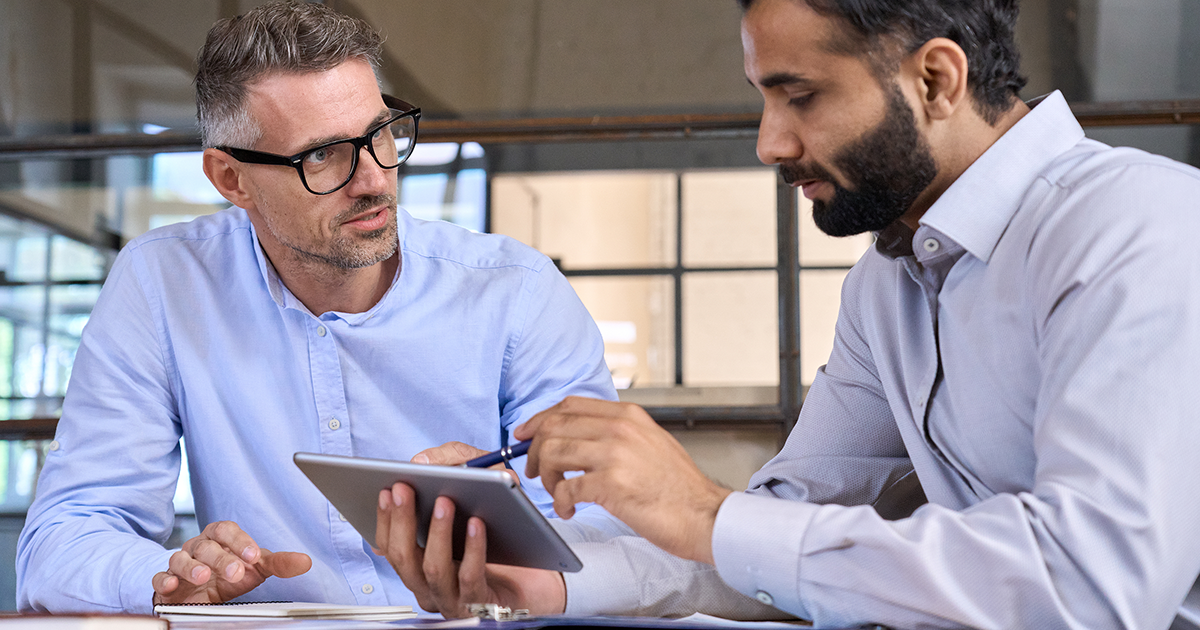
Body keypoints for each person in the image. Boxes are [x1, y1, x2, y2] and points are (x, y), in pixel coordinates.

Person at [378, 0, 1200, 628]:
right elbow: (783, 536)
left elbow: (1095, 586)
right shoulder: (892, 280)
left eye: (799, 96)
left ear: (938, 80)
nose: (769, 142)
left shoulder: (1139, 229)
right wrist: (550, 580)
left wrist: (705, 509)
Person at [16, 0, 624, 615]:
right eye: (322, 156)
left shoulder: (516, 291)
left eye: (380, 133)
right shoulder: (162, 284)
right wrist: (171, 577)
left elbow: (615, 543)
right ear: (231, 180)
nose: (374, 180)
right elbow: (60, 542)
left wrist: (506, 533)